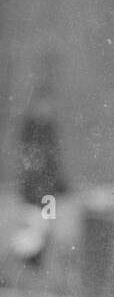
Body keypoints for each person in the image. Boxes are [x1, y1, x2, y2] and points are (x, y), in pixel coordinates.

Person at [18, 53, 69, 207]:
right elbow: (33, 162)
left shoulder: (47, 128)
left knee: (48, 214)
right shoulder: (32, 129)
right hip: (37, 192)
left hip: (46, 190)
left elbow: (52, 160)